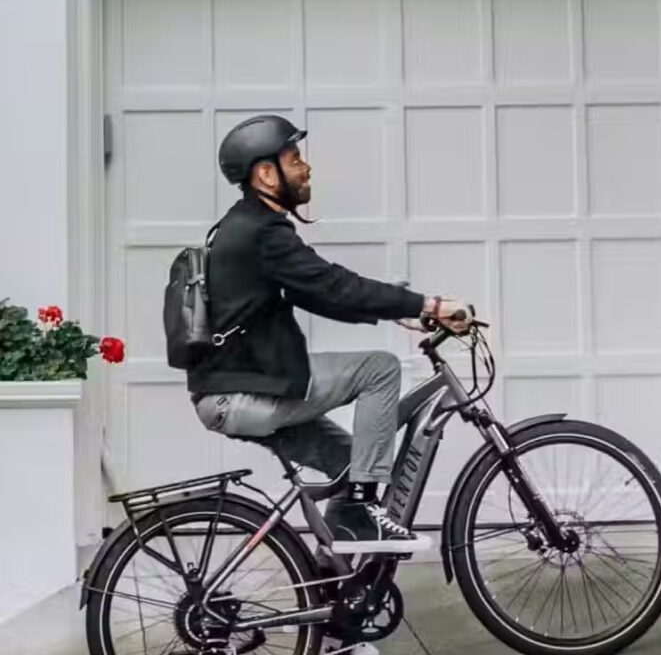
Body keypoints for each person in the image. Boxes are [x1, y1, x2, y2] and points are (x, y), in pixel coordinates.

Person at [190, 114, 472, 558]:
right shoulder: (262, 233)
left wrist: (396, 313)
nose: (307, 168)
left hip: (231, 391)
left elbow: (315, 293)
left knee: (349, 465)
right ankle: (358, 513)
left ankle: (332, 586)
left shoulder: (242, 227)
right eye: (295, 158)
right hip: (243, 393)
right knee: (380, 369)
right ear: (266, 173)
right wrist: (427, 305)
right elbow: (332, 282)